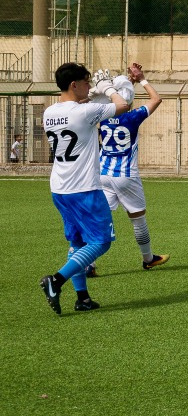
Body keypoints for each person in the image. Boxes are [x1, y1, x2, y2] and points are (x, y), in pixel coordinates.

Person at [38, 62, 131, 315]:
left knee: (77, 241)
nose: (90, 86)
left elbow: (75, 109)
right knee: (101, 243)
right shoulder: (85, 112)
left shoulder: (49, 112)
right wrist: (107, 87)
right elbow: (124, 105)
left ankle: (83, 299)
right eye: (87, 82)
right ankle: (56, 280)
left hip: (60, 188)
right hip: (84, 188)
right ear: (74, 84)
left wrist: (90, 94)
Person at [94, 64, 169, 272]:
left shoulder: (101, 115)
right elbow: (156, 99)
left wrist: (121, 85)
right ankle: (148, 258)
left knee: (100, 219)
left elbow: (114, 101)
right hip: (126, 174)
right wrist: (142, 79)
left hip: (103, 174)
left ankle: (88, 264)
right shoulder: (132, 117)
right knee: (138, 218)